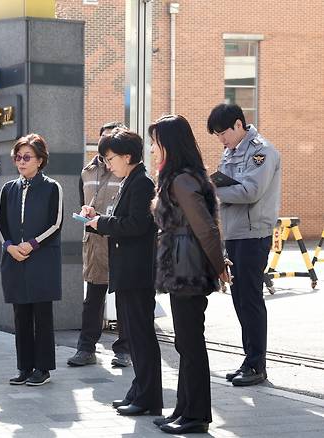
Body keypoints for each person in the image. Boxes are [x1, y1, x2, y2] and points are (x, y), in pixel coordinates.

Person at [150, 115, 229, 434]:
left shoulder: (182, 180)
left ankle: (196, 415)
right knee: (186, 342)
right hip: (181, 264)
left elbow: (206, 228)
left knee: (191, 343)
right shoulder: (181, 176)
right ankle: (184, 409)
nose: (153, 148)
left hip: (188, 267)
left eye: (156, 142)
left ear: (169, 144)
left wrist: (221, 266)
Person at [84, 128, 162, 416]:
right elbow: (123, 219)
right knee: (137, 336)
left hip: (136, 271)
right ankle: (139, 392)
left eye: (111, 158)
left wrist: (100, 224)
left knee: (141, 336)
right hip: (127, 270)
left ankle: (148, 397)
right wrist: (97, 219)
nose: (108, 164)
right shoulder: (129, 180)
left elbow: (137, 226)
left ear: (127, 156)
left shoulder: (141, 183)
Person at [207, 103, 281, 387]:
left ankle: (256, 365)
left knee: (250, 299)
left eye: (223, 133)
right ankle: (249, 360)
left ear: (239, 124)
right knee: (240, 300)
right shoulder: (231, 151)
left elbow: (251, 191)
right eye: (217, 136)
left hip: (253, 234)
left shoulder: (262, 151)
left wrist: (213, 190)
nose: (221, 140)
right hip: (234, 233)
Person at [0, 134, 63, 387]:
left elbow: (56, 224)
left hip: (42, 259)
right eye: (18, 157)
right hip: (14, 258)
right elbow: (0, 221)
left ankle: (43, 368)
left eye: (27, 157)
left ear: (40, 160)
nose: (21, 162)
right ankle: (24, 367)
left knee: (42, 316)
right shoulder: (9, 189)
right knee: (20, 316)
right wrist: (9, 246)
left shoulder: (52, 187)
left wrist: (31, 244)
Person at [67, 122, 131, 368]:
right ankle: (86, 348)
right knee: (93, 298)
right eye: (104, 141)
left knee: (124, 298)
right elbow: (84, 201)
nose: (107, 149)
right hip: (94, 242)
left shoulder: (127, 171)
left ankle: (124, 349)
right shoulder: (87, 171)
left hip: (119, 242)